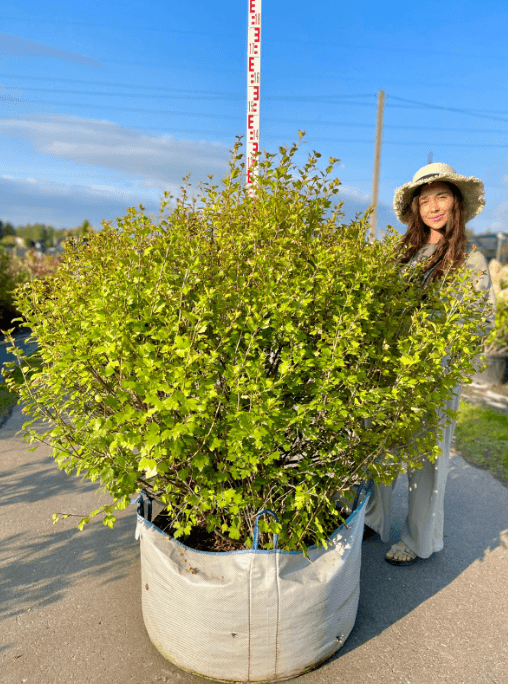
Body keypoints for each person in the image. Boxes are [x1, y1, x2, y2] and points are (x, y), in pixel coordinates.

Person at [364, 162, 496, 566]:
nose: (433, 206)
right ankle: (374, 518)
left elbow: (480, 320)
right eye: (425, 200)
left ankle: (419, 540)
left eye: (441, 197)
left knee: (427, 458)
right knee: (382, 447)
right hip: (394, 369)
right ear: (416, 209)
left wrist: (445, 362)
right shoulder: (405, 253)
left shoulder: (470, 259)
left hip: (435, 373)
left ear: (455, 204)